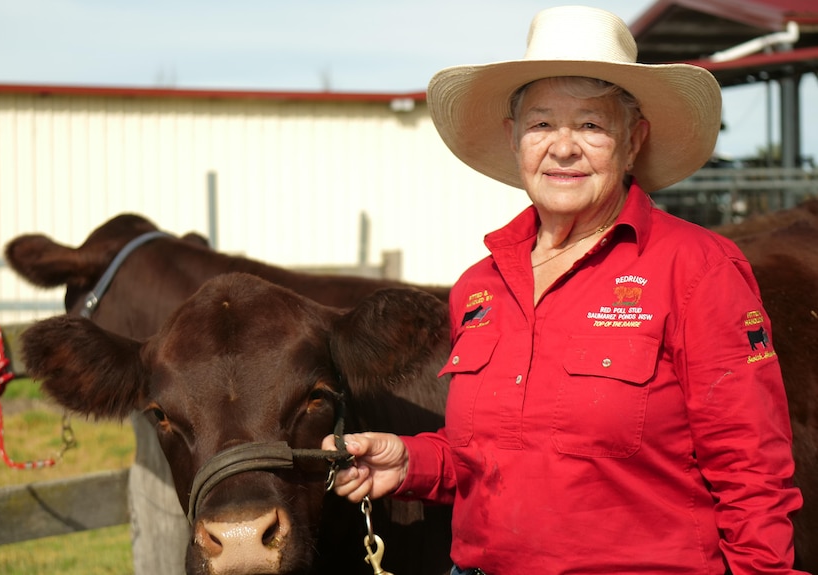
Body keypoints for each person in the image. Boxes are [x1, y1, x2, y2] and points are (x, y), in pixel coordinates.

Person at [323, 5, 806, 575]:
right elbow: (491, 458)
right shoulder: (480, 288)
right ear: (514, 139)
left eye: (592, 125)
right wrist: (410, 464)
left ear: (634, 141)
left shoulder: (696, 268)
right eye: (542, 123)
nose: (564, 146)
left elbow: (752, 472)